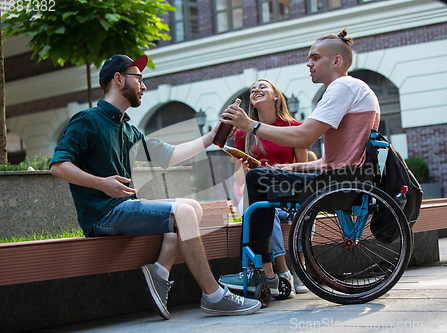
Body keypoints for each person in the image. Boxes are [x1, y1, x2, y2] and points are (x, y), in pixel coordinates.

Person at [49, 54, 261, 320]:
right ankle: (214, 295)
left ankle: (160, 272)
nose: (144, 86)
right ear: (118, 79)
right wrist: (101, 184)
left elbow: (170, 155)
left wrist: (212, 136)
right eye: (139, 78)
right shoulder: (87, 120)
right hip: (102, 214)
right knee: (183, 213)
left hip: (122, 208)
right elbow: (58, 165)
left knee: (192, 208)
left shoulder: (128, 129)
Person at [218, 29, 381, 286]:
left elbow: (304, 137)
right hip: (346, 178)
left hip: (338, 183)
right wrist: (290, 168)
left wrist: (251, 125)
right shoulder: (353, 89)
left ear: (336, 61)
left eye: (315, 58)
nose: (309, 63)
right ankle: (267, 271)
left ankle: (258, 272)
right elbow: (330, 160)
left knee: (258, 180)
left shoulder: (342, 87)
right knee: (263, 177)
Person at [221, 79, 307, 298]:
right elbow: (239, 181)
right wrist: (242, 166)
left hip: (290, 195)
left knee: (270, 207)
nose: (256, 90)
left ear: (276, 96)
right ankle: (283, 273)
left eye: (262, 87)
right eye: (252, 90)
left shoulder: (295, 128)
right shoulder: (243, 134)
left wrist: (279, 170)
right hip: (261, 199)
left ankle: (298, 269)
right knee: (264, 207)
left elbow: (303, 171)